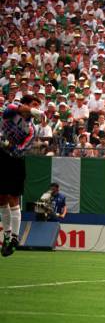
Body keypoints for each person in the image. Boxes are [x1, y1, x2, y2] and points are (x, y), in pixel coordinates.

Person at [0, 94, 42, 257]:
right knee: (2, 199)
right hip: (1, 157)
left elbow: (20, 151)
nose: (36, 108)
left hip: (15, 161)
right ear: (25, 104)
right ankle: (7, 235)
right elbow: (8, 112)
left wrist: (5, 143)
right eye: (33, 104)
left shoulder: (32, 129)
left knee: (13, 198)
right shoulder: (12, 108)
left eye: (38, 106)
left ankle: (15, 238)